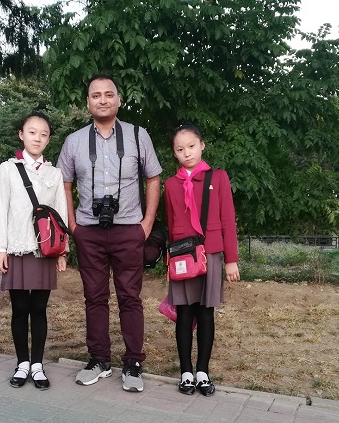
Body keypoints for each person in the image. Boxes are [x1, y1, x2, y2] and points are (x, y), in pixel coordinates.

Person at [57, 74, 162, 392]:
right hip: (88, 230)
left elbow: (154, 177)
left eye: (108, 94)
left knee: (131, 298)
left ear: (119, 100)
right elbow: (63, 182)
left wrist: (146, 223)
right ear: (87, 102)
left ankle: (133, 363)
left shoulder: (137, 135)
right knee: (94, 298)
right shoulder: (74, 141)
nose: (102, 100)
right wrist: (72, 226)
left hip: (129, 228)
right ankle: (99, 359)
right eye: (95, 95)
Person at [0, 111, 68, 390]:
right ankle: (21, 362)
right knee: (19, 308)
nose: (38, 137)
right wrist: (0, 248)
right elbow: (0, 209)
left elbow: (60, 214)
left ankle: (37, 364)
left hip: (44, 251)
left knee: (39, 308)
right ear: (21, 135)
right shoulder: (7, 169)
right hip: (16, 248)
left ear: (48, 139)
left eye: (44, 133)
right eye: (32, 132)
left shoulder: (54, 173)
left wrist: (62, 251)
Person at [164, 124, 240, 396]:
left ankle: (202, 372)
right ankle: (185, 372)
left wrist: (231, 259)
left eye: (192, 146)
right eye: (180, 149)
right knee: (184, 314)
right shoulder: (171, 185)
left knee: (206, 314)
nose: (187, 153)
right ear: (175, 152)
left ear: (202, 145)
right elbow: (172, 226)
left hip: (211, 254)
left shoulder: (217, 177)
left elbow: (228, 220)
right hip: (182, 257)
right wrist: (169, 262)